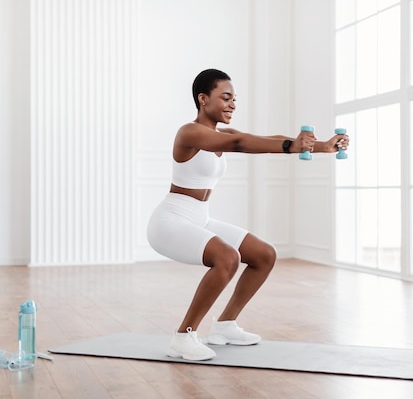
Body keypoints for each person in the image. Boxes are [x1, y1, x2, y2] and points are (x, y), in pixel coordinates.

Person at [147, 68, 349, 361]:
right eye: (225, 98)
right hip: (170, 222)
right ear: (203, 99)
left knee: (263, 254)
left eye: (234, 99)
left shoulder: (222, 133)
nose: (232, 105)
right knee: (227, 258)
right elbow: (239, 145)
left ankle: (225, 326)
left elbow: (259, 140)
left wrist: (320, 147)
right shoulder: (189, 132)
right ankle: (182, 337)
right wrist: (290, 146)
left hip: (198, 217)